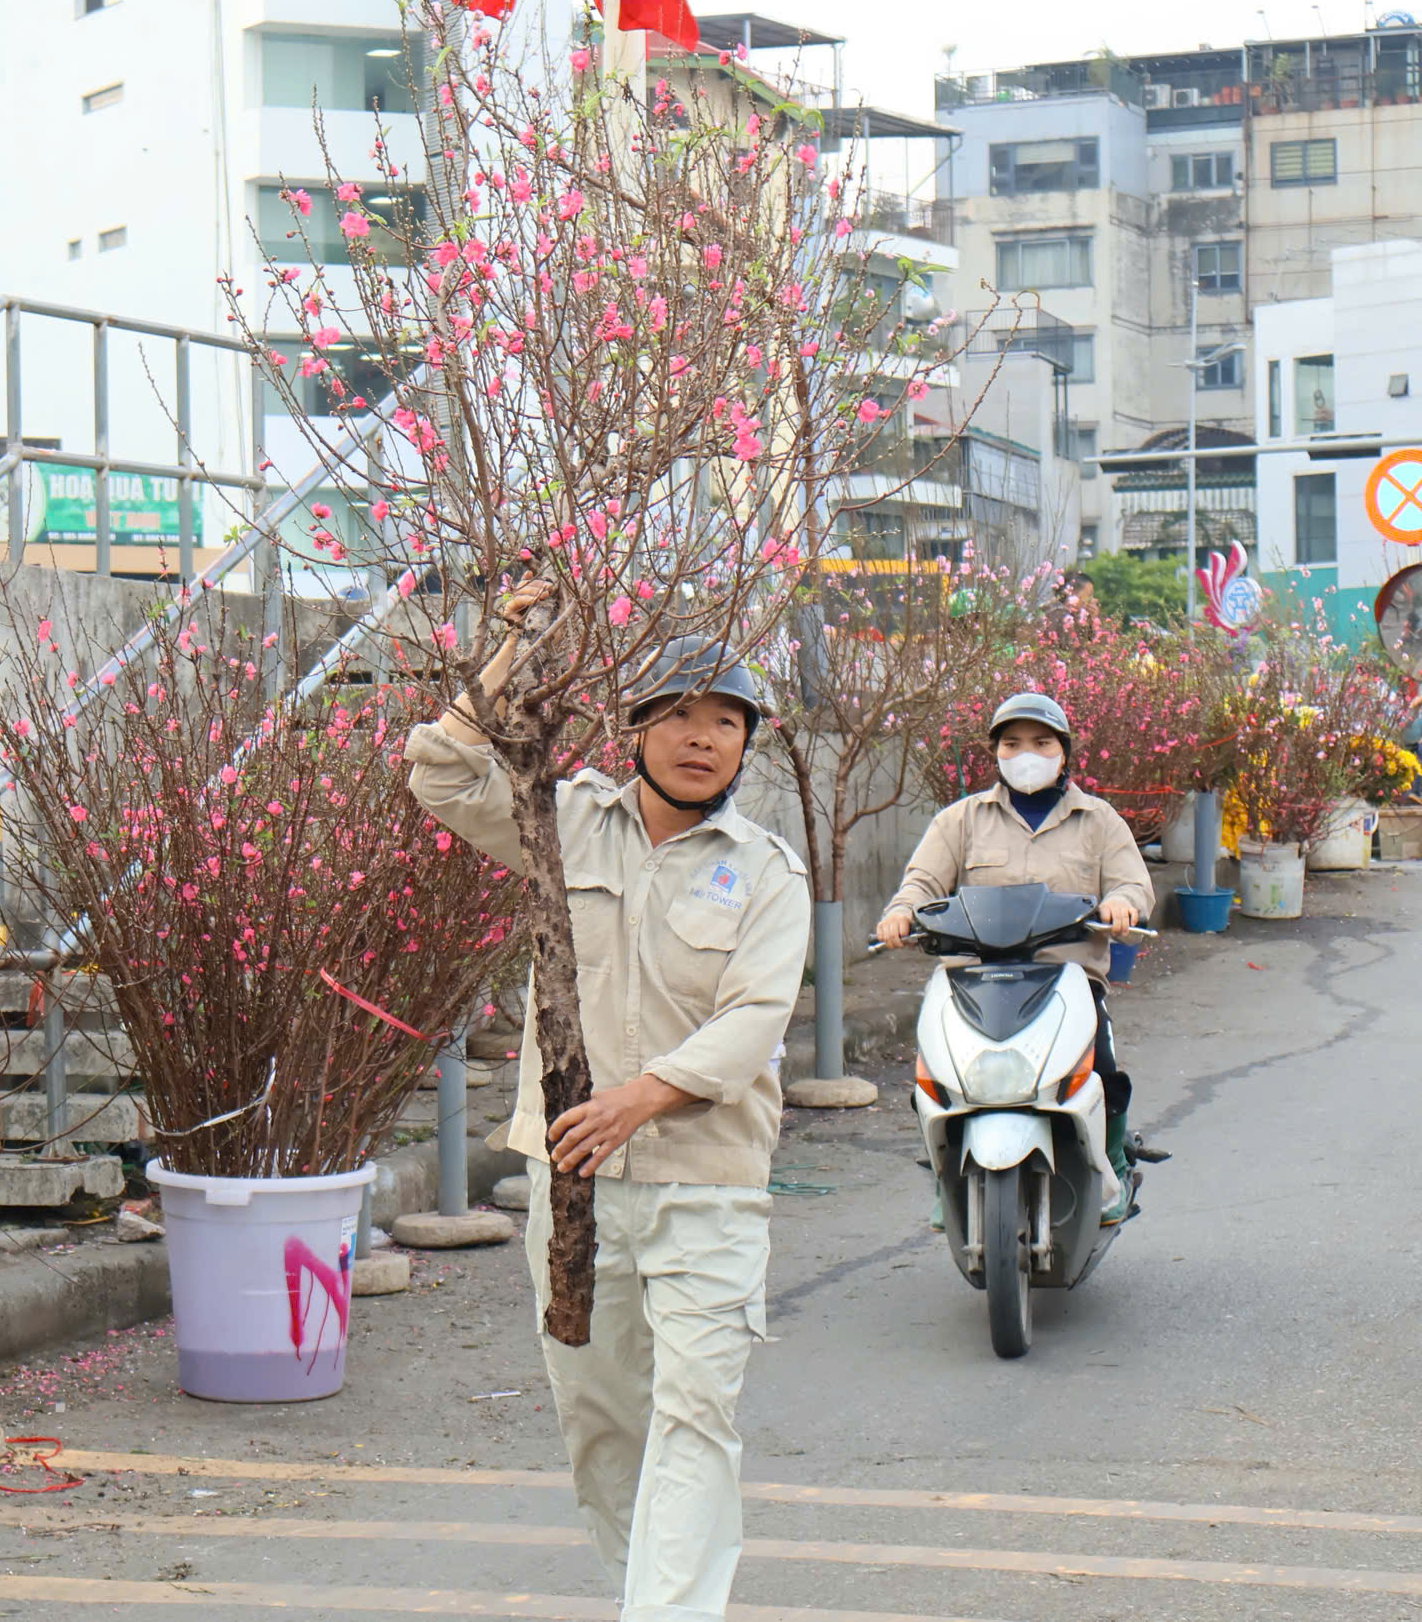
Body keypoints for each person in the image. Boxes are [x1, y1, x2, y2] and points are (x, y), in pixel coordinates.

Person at [407, 616, 810, 1622]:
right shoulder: (564, 819)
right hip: (576, 1187)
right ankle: (649, 1589)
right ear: (633, 727)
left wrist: (642, 1095)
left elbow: (753, 1017)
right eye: (677, 713)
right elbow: (443, 774)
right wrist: (509, 644)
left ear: (745, 743)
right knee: (598, 1418)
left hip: (706, 1185)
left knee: (693, 1413)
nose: (701, 735)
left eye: (725, 719)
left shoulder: (767, 870)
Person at [874, 692, 1155, 1225]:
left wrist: (1124, 903)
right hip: (973, 979)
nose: (1027, 753)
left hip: (1067, 978)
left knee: (1105, 1068)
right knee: (935, 1074)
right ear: (996, 753)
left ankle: (1111, 1163)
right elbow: (922, 882)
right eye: (1013, 743)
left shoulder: (1099, 821)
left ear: (1064, 752)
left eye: (1042, 742)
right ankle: (946, 1178)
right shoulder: (960, 820)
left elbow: (1132, 883)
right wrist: (901, 913)